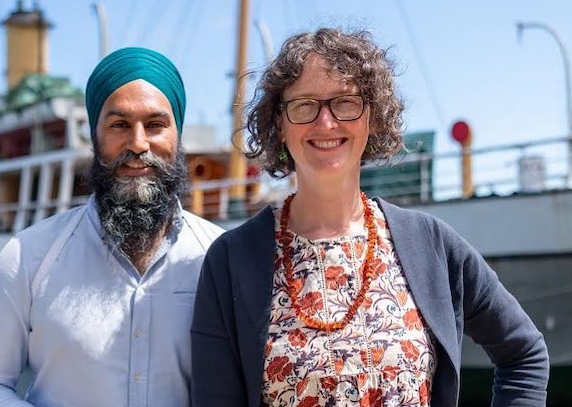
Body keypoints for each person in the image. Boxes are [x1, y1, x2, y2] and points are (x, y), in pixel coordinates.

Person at [190, 28, 549, 406]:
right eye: (303, 105)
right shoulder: (231, 259)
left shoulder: (431, 244)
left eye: (345, 102)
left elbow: (524, 354)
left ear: (372, 117)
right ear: (279, 124)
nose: (325, 122)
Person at [0, 47, 224, 406]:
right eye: (119, 125)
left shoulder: (219, 258)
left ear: (178, 135)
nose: (138, 143)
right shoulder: (30, 257)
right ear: (95, 136)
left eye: (156, 125)